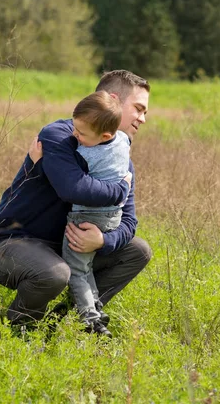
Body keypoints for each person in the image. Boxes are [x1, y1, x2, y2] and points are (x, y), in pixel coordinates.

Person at [0, 69, 151, 334]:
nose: (143, 118)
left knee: (138, 250)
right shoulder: (59, 136)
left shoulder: (120, 160)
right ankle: (17, 331)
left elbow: (129, 221)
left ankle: (63, 321)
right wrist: (119, 190)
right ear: (113, 100)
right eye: (139, 109)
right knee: (55, 273)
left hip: (65, 246)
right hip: (14, 241)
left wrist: (103, 241)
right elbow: (73, 189)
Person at [63, 91, 131, 337]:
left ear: (105, 136)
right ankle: (97, 310)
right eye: (74, 129)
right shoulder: (123, 139)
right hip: (113, 217)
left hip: (86, 218)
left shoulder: (85, 154)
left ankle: (90, 321)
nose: (75, 136)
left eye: (81, 134)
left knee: (77, 270)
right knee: (87, 267)